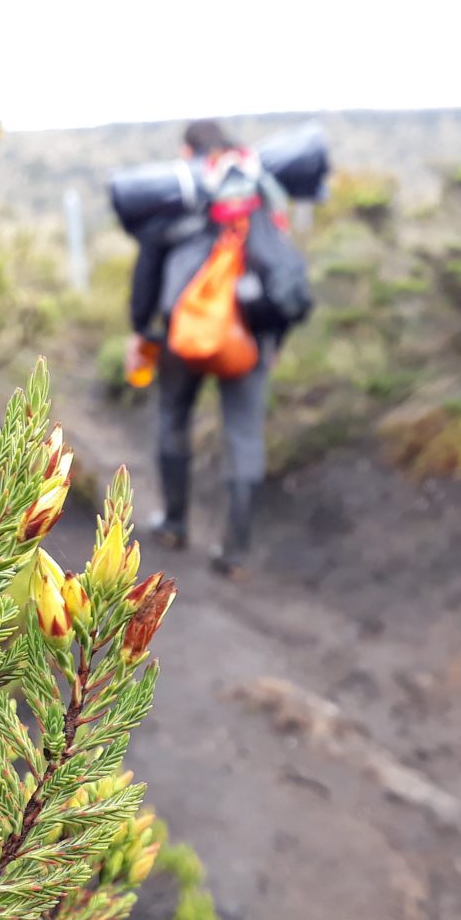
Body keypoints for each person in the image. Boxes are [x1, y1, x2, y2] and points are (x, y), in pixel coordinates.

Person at [127, 119, 293, 577]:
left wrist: (142, 327)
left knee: (172, 417)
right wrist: (273, 340)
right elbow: (283, 271)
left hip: (184, 331)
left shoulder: (180, 193)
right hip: (251, 333)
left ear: (189, 150)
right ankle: (235, 553)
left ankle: (175, 524)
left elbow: (148, 266)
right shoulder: (258, 191)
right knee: (244, 436)